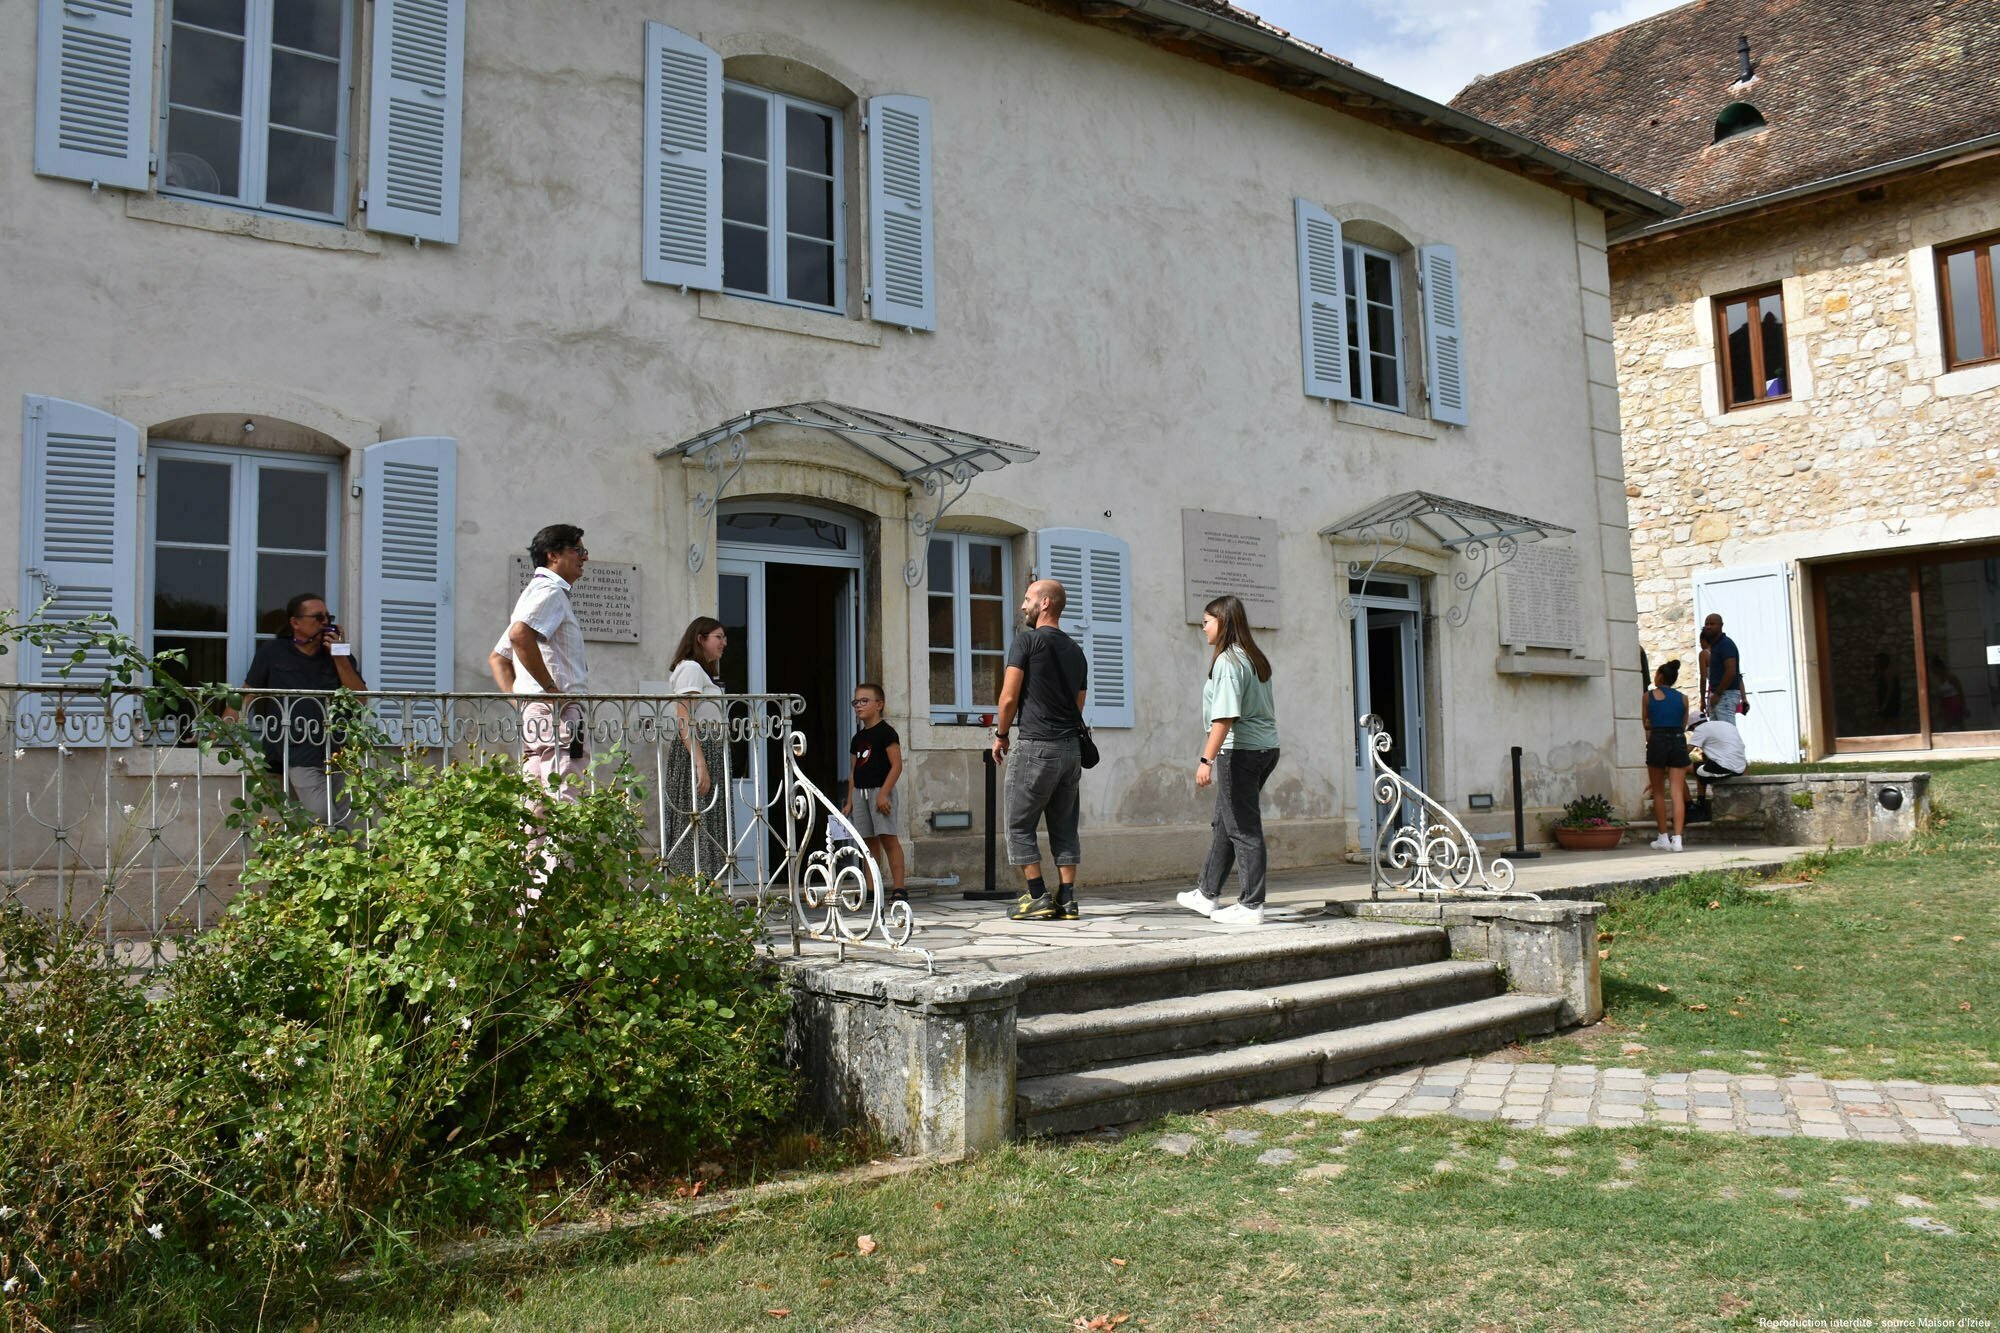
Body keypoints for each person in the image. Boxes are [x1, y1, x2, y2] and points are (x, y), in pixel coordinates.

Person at [1176, 595, 1280, 926]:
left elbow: (1224, 717)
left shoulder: (1228, 662)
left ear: (1222, 622)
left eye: (1207, 621)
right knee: (1226, 821)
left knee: (1243, 827)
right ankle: (1207, 894)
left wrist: (1206, 759)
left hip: (1241, 752)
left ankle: (1251, 905)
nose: (1203, 628)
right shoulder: (1253, 656)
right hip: (1265, 749)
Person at [990, 578, 1088, 922]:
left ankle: (1037, 897)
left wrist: (1001, 735)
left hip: (1035, 746)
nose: (1022, 605)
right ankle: (1068, 899)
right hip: (1070, 750)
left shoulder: (1027, 641)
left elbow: (1008, 697)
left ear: (1045, 603)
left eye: (1028, 598)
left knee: (1018, 824)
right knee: (1064, 825)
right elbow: (1079, 705)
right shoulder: (1077, 651)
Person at [240, 592, 367, 826]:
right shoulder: (273, 651)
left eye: (328, 617)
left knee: (345, 816)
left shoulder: (340, 654)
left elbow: (359, 699)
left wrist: (339, 657)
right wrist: (222, 728)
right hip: (296, 748)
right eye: (318, 617)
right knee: (321, 815)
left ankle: (342, 860)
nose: (325, 623)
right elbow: (249, 692)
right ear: (295, 623)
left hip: (338, 747)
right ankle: (355, 858)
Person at [503, 525, 590, 796]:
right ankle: (564, 841)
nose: (585, 557)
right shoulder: (550, 591)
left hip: (539, 709)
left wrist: (521, 700)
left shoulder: (533, 592)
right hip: (557, 712)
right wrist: (551, 690)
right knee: (564, 796)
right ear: (553, 556)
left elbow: (498, 656)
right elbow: (519, 637)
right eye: (578, 550)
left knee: (537, 802)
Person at [666, 616, 730, 881]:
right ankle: (692, 894)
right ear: (700, 639)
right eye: (718, 637)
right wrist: (700, 764)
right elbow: (684, 718)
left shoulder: (700, 671)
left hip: (707, 750)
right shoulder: (691, 668)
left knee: (706, 823)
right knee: (696, 821)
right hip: (697, 751)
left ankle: (704, 892)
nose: (724, 643)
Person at [843, 683, 908, 906]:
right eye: (856, 702)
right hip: (860, 794)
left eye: (864, 701)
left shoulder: (887, 733)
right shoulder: (857, 739)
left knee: (888, 839)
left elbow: (896, 766)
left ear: (879, 704)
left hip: (881, 792)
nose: (858, 706)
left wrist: (883, 794)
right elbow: (854, 772)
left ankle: (899, 888)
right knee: (867, 843)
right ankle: (871, 888)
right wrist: (850, 801)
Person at [1644, 659, 1691, 852]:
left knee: (1658, 792)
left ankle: (1663, 836)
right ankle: (1678, 839)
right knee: (1677, 792)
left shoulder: (1648, 697)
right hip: (1678, 739)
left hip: (1658, 739)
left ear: (1660, 677)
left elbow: (1646, 723)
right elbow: (1684, 724)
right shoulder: (1683, 698)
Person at [1686, 709, 1747, 820]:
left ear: (1694, 725)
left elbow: (1686, 751)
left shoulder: (1700, 729)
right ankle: (1701, 803)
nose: (1693, 732)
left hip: (1725, 767)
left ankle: (1697, 807)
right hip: (1740, 767)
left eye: (1691, 729)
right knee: (1701, 767)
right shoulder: (1726, 724)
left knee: (1688, 768)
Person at [1704, 618, 1744, 728]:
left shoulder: (1725, 644)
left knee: (1727, 733)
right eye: (1706, 624)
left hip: (1725, 694)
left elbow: (1731, 671)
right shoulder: (1716, 645)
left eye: (1712, 624)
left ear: (1721, 625)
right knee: (1718, 734)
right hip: (1719, 694)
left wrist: (1717, 694)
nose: (1708, 626)